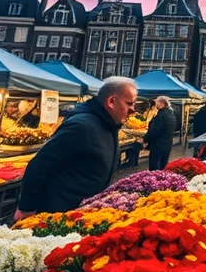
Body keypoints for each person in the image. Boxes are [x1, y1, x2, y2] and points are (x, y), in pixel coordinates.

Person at [15, 77, 138, 216]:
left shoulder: (109, 125)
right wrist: (26, 207)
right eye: (129, 104)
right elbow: (39, 165)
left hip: (81, 211)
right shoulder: (82, 126)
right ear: (111, 101)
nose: (133, 110)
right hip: (58, 213)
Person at [145, 96, 176, 171]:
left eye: (156, 102)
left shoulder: (161, 115)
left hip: (158, 144)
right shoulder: (171, 114)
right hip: (168, 143)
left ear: (161, 102)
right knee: (163, 166)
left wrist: (145, 138)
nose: (156, 104)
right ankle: (162, 181)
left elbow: (154, 130)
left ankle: (155, 181)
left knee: (154, 166)